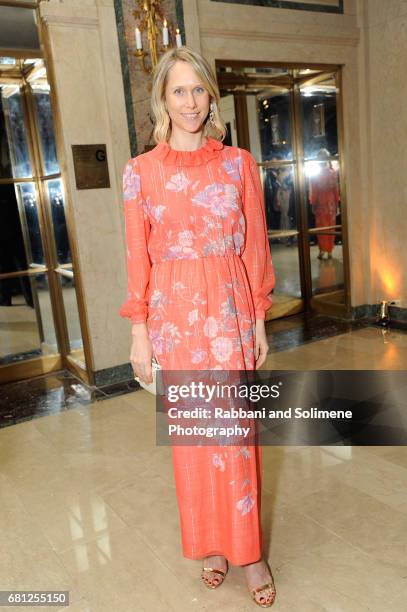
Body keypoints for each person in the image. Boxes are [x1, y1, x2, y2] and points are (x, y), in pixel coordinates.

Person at [119, 46, 276, 608]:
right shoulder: (139, 172)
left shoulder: (238, 165)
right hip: (174, 316)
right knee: (193, 440)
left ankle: (249, 552)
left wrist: (258, 317)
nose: (190, 102)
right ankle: (211, 546)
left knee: (235, 438)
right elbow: (140, 259)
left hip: (230, 309)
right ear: (162, 98)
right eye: (178, 90)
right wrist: (140, 332)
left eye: (198, 89)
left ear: (212, 96)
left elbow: (255, 245)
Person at [308, 148, 340, 260]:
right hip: (330, 203)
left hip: (321, 202)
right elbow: (336, 191)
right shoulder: (333, 173)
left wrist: (313, 203)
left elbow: (314, 191)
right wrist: (337, 203)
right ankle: (329, 251)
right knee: (330, 227)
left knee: (321, 228)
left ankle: (322, 250)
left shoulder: (316, 175)